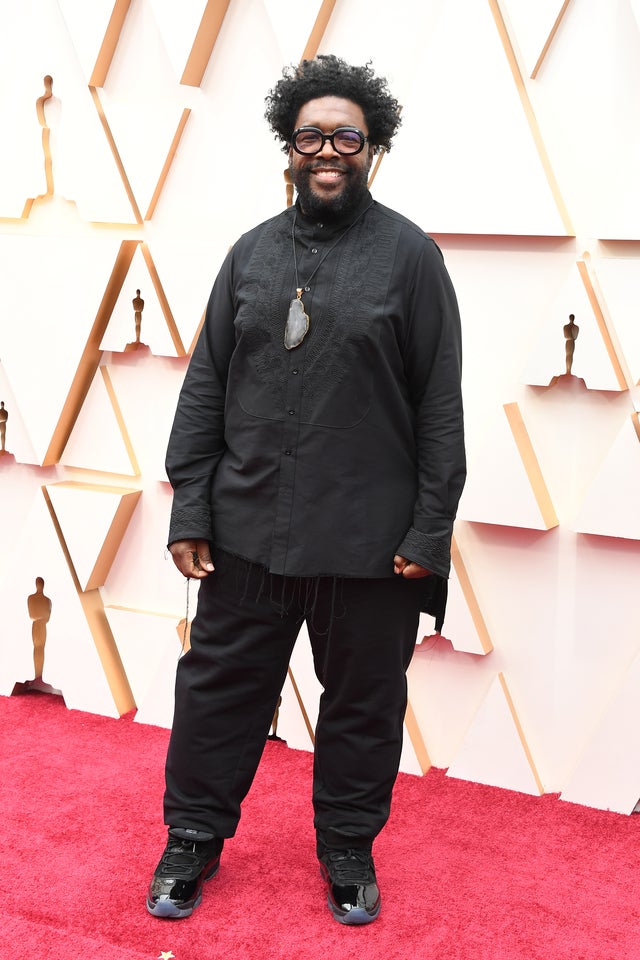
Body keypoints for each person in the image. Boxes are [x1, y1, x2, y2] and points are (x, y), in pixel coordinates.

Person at [147, 54, 466, 926]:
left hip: (372, 543)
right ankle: (191, 841)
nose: (328, 150)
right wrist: (192, 505)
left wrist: (428, 533)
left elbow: (440, 405)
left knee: (363, 707)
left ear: (375, 148)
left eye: (347, 136)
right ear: (289, 149)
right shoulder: (250, 254)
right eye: (311, 135)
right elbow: (206, 383)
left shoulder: (411, 259)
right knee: (216, 695)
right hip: (249, 526)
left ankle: (349, 850)